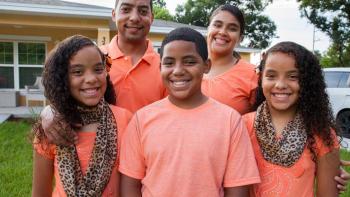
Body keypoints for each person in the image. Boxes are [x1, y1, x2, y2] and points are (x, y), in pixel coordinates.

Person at [119, 27, 261, 197]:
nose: (178, 70)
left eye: (189, 61)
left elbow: (237, 189)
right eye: (169, 63)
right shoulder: (141, 120)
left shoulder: (230, 121)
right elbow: (130, 185)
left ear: (206, 66)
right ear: (160, 67)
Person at [41, 0, 165, 145]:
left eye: (143, 11)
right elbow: (63, 91)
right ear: (114, 14)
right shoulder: (94, 59)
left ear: (152, 17)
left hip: (148, 154)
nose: (134, 17)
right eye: (126, 9)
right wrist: (49, 110)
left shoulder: (166, 68)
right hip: (97, 151)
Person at [31, 35, 132, 196]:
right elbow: (40, 192)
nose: (91, 79)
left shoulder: (125, 120)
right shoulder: (51, 127)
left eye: (98, 69)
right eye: (77, 72)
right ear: (62, 78)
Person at [243, 41, 340, 196]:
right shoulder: (242, 126)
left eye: (293, 76)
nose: (280, 84)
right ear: (261, 78)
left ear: (307, 82)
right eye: (271, 75)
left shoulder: (322, 134)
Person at [201, 4, 258, 115]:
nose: (222, 32)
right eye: (217, 25)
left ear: (240, 38)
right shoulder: (187, 68)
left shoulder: (253, 74)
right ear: (208, 29)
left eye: (232, 28)